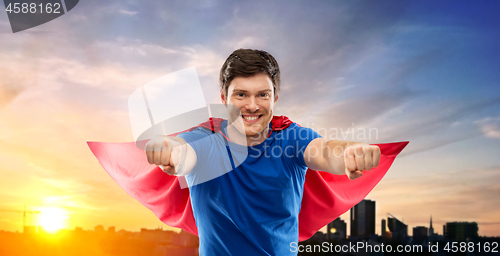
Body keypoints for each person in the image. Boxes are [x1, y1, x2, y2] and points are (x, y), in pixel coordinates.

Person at [144, 49, 381, 255]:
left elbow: (326, 151)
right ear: (223, 98)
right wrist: (170, 150)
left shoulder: (292, 137)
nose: (252, 105)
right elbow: (184, 151)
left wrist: (349, 152)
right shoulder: (207, 138)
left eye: (262, 95)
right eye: (241, 94)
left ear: (275, 97)